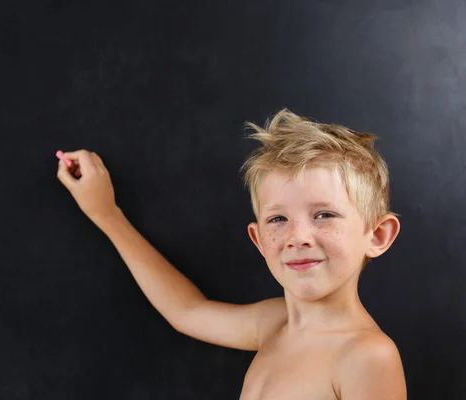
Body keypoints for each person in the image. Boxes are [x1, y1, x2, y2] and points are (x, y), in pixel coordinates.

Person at [54, 109, 407, 399]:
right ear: (259, 240)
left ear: (377, 235)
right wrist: (106, 214)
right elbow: (187, 311)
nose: (297, 237)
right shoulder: (273, 323)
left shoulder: (367, 356)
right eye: (278, 219)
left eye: (324, 215)